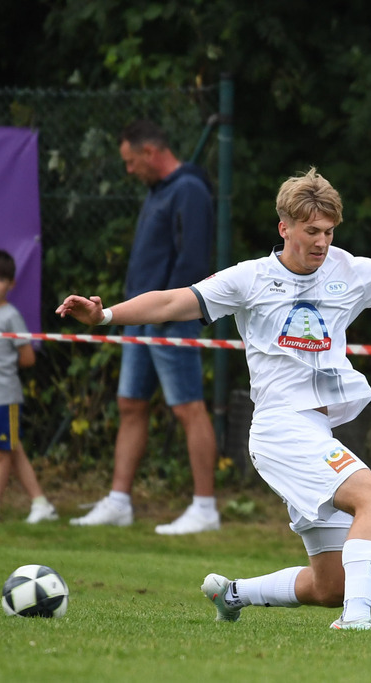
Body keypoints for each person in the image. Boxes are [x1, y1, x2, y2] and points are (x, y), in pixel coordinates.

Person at [56, 167, 371, 630]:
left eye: (328, 232)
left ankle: (233, 594)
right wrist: (105, 317)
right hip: (281, 428)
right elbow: (172, 301)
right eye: (311, 232)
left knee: (329, 584)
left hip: (314, 433)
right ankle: (357, 623)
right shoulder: (250, 278)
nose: (321, 243)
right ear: (284, 227)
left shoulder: (350, 270)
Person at [70, 120, 220, 535]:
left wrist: (170, 317)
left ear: (151, 153)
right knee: (130, 404)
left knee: (188, 408)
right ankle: (119, 502)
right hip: (138, 320)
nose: (129, 171)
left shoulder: (189, 189)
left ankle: (205, 508)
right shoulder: (159, 192)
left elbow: (192, 261)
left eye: (131, 161)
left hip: (170, 321)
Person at [0, 248, 57, 525]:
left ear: (11, 284)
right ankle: (41, 504)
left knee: (1, 454)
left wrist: (1, 375)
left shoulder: (11, 316)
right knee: (12, 449)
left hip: (4, 397)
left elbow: (27, 357)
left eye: (0, 278)